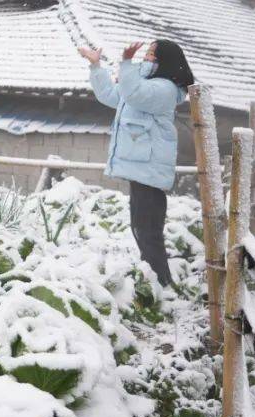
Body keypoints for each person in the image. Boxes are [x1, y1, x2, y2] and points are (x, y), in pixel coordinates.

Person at [77, 39, 195, 287]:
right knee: (141, 228)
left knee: (148, 232)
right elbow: (112, 96)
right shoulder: (143, 83)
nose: (147, 57)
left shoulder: (165, 89)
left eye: (152, 54)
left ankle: (161, 282)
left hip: (148, 167)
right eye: (148, 53)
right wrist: (97, 67)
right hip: (140, 168)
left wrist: (127, 62)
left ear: (166, 61)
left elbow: (133, 94)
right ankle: (155, 279)